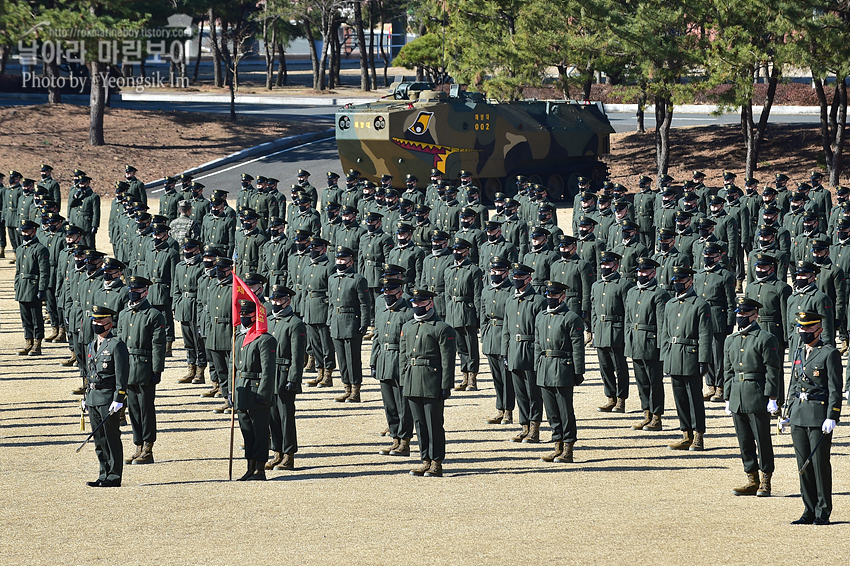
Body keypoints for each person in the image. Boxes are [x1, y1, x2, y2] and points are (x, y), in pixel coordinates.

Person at [782, 312, 842, 525]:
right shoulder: (798, 351)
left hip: (818, 415)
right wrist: (788, 411)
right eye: (801, 328)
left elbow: (835, 388)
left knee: (819, 464)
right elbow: (794, 384)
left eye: (808, 329)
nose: (804, 332)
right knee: (803, 465)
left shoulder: (829, 353)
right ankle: (808, 510)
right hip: (798, 414)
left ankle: (822, 511)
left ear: (818, 330)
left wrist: (832, 415)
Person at [722, 297, 781, 497]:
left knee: (762, 439)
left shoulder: (765, 338)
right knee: (744, 440)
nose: (740, 317)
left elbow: (773, 370)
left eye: (745, 314)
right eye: (739, 313)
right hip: (737, 394)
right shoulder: (731, 339)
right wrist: (728, 397)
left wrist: (773, 397)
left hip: (756, 394)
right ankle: (751, 478)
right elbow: (728, 370)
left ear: (755, 315)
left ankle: (766, 479)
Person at [400, 288, 456, 477]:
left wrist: (446, 385)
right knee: (419, 423)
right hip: (412, 378)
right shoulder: (408, 327)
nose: (416, 306)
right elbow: (403, 355)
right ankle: (425, 459)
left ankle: (436, 461)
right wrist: (403, 380)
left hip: (432, 380)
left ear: (430, 304)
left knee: (433, 423)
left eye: (420, 303)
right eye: (414, 303)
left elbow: (447, 359)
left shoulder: (441, 328)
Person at [660, 266, 712, 451]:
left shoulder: (700, 305)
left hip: (691, 355)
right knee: (679, 397)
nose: (677, 284)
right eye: (675, 281)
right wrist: (665, 356)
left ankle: (698, 435)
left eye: (681, 281)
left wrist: (703, 360)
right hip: (674, 355)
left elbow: (705, 335)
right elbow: (665, 332)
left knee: (694, 398)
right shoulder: (671, 304)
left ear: (690, 281)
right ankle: (685, 434)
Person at [117, 276, 166, 465]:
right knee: (133, 409)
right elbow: (119, 343)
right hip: (128, 367)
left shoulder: (153, 314)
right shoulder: (124, 314)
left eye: (137, 290)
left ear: (145, 292)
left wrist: (157, 369)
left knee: (146, 409)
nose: (133, 293)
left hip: (145, 367)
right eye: (131, 289)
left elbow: (158, 344)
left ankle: (148, 447)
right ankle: (137, 445)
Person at [535, 280, 585, 463]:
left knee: (565, 411)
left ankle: (568, 448)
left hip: (562, 368)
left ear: (563, 297)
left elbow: (578, 347)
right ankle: (557, 445)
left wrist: (578, 371)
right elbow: (537, 344)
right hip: (545, 368)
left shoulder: (571, 318)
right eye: (548, 294)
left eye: (554, 295)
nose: (550, 298)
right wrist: (536, 366)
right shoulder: (541, 316)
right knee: (551, 412)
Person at [83, 305, 129, 487]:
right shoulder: (91, 345)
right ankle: (103, 473)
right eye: (94, 320)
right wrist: (86, 397)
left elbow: (122, 375)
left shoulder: (116, 345)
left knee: (111, 437)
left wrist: (119, 399)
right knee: (99, 439)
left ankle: (114, 476)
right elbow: (87, 373)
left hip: (108, 397)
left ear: (109, 324)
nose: (96, 323)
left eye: (100, 321)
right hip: (94, 397)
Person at [233, 299, 276, 481]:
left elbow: (268, 370)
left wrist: (264, 394)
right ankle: (249, 466)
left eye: (247, 314)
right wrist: (231, 391)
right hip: (242, 390)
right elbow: (233, 366)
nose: (243, 317)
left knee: (259, 432)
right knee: (246, 432)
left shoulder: (265, 340)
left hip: (257, 390)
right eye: (241, 314)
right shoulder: (240, 338)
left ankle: (260, 467)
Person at [502, 262, 546, 443]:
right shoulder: (510, 300)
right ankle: (524, 426)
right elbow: (506, 328)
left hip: (530, 350)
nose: (516, 280)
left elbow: (542, 331)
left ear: (529, 279)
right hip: (513, 350)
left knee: (533, 392)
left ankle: (534, 428)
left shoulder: (538, 301)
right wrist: (505, 352)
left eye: (520, 277)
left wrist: (538, 355)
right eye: (515, 277)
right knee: (519, 392)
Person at [624, 257, 670, 431]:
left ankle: (657, 416)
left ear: (653, 273)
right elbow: (628, 319)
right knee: (641, 381)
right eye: (639, 271)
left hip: (651, 344)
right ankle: (646, 414)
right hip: (635, 342)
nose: (641, 274)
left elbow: (662, 324)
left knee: (654, 382)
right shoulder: (632, 292)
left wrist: (662, 349)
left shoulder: (659, 294)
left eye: (645, 272)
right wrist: (628, 342)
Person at [371, 277, 414, 456]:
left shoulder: (408, 313)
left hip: (399, 360)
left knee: (403, 404)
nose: (387, 295)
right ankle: (395, 438)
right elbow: (376, 338)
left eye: (391, 292)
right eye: (385, 292)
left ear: (400, 293)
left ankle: (405, 441)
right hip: (384, 360)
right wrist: (373, 362)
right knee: (389, 404)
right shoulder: (381, 312)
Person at [591, 251, 634, 413]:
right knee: (605, 367)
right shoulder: (596, 285)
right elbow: (594, 310)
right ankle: (610, 397)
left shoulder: (623, 285)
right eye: (602, 264)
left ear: (616, 266)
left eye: (608, 264)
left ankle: (621, 399)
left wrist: (626, 335)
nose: (604, 267)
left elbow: (628, 312)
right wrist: (594, 330)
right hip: (601, 331)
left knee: (620, 368)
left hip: (616, 331)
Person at [328, 246, 371, 403]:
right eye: (338, 259)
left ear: (350, 261)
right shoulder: (332, 279)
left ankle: (355, 390)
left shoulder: (358, 279)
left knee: (353, 358)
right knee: (342, 359)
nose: (340, 262)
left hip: (352, 322)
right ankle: (346, 387)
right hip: (336, 322)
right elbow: (331, 303)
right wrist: (329, 321)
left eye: (343, 259)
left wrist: (364, 323)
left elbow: (365, 304)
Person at [444, 237, 483, 391]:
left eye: (459, 250)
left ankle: (473, 377)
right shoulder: (449, 270)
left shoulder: (473, 270)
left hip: (467, 312)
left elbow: (477, 295)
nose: (456, 253)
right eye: (455, 250)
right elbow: (447, 293)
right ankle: (464, 375)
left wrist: (478, 317)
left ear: (467, 252)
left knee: (471, 346)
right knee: (460, 347)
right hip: (453, 311)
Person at [480, 256, 515, 425]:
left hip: (504, 334)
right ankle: (499, 408)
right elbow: (483, 314)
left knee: (506, 376)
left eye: (498, 271)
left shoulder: (511, 290)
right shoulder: (486, 290)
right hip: (490, 336)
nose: (494, 274)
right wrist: (484, 334)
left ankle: (508, 410)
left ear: (506, 273)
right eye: (492, 271)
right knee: (496, 377)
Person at [174, 239, 207, 384]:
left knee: (198, 340)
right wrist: (176, 304)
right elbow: (175, 288)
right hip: (183, 305)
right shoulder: (180, 266)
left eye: (190, 250)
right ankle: (190, 369)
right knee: (188, 341)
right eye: (185, 249)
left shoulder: (201, 266)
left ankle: (200, 370)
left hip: (196, 305)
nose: (186, 252)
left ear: (197, 250)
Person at [15, 220, 49, 356]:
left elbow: (44, 271)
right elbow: (18, 270)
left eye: (27, 231)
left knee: (36, 317)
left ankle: (37, 343)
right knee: (25, 317)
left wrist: (42, 289)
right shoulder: (20, 249)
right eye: (23, 231)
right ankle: (28, 341)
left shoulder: (40, 249)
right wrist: (17, 285)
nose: (24, 234)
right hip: (22, 287)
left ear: (34, 232)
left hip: (33, 287)